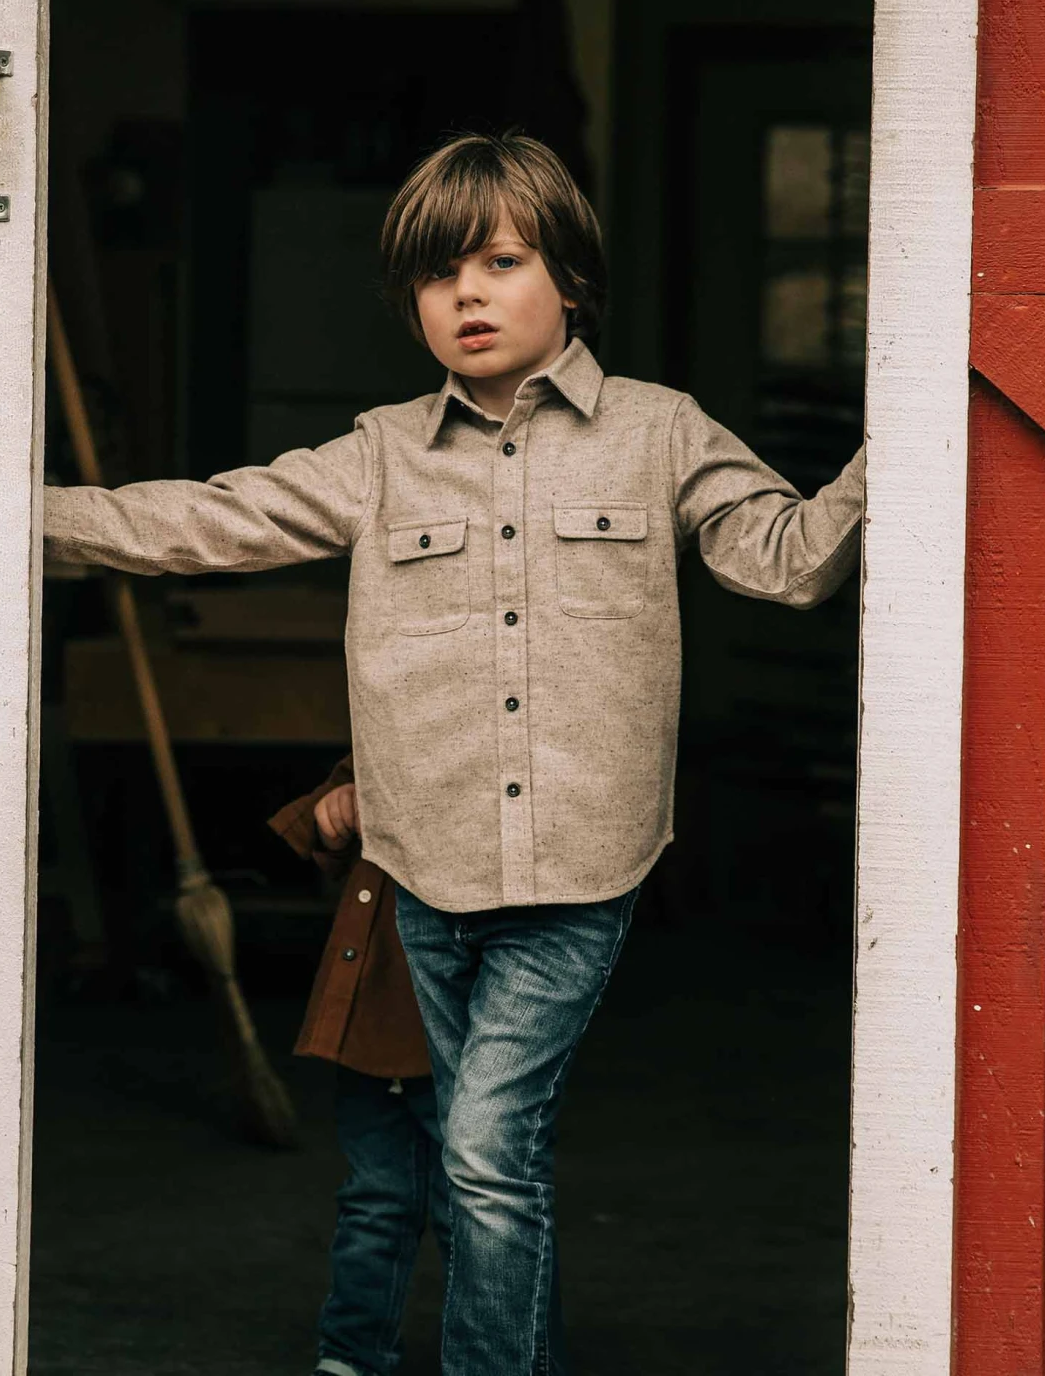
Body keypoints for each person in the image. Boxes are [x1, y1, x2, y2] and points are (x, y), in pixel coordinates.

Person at [44, 130, 865, 1374]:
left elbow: (788, 561)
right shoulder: (380, 452)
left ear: (571, 279)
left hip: (582, 868)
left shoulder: (658, 431)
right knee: (471, 1154)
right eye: (438, 275)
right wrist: (8, 513)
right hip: (422, 867)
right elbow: (210, 518)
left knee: (483, 1148)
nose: (467, 295)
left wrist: (908, 429)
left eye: (499, 262)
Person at [267, 754, 448, 1376]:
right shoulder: (387, 720)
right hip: (376, 1010)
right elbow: (343, 791)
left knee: (480, 1206)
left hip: (463, 1013)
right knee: (375, 1198)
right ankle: (352, 1354)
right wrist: (335, 808)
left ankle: (499, 1355)